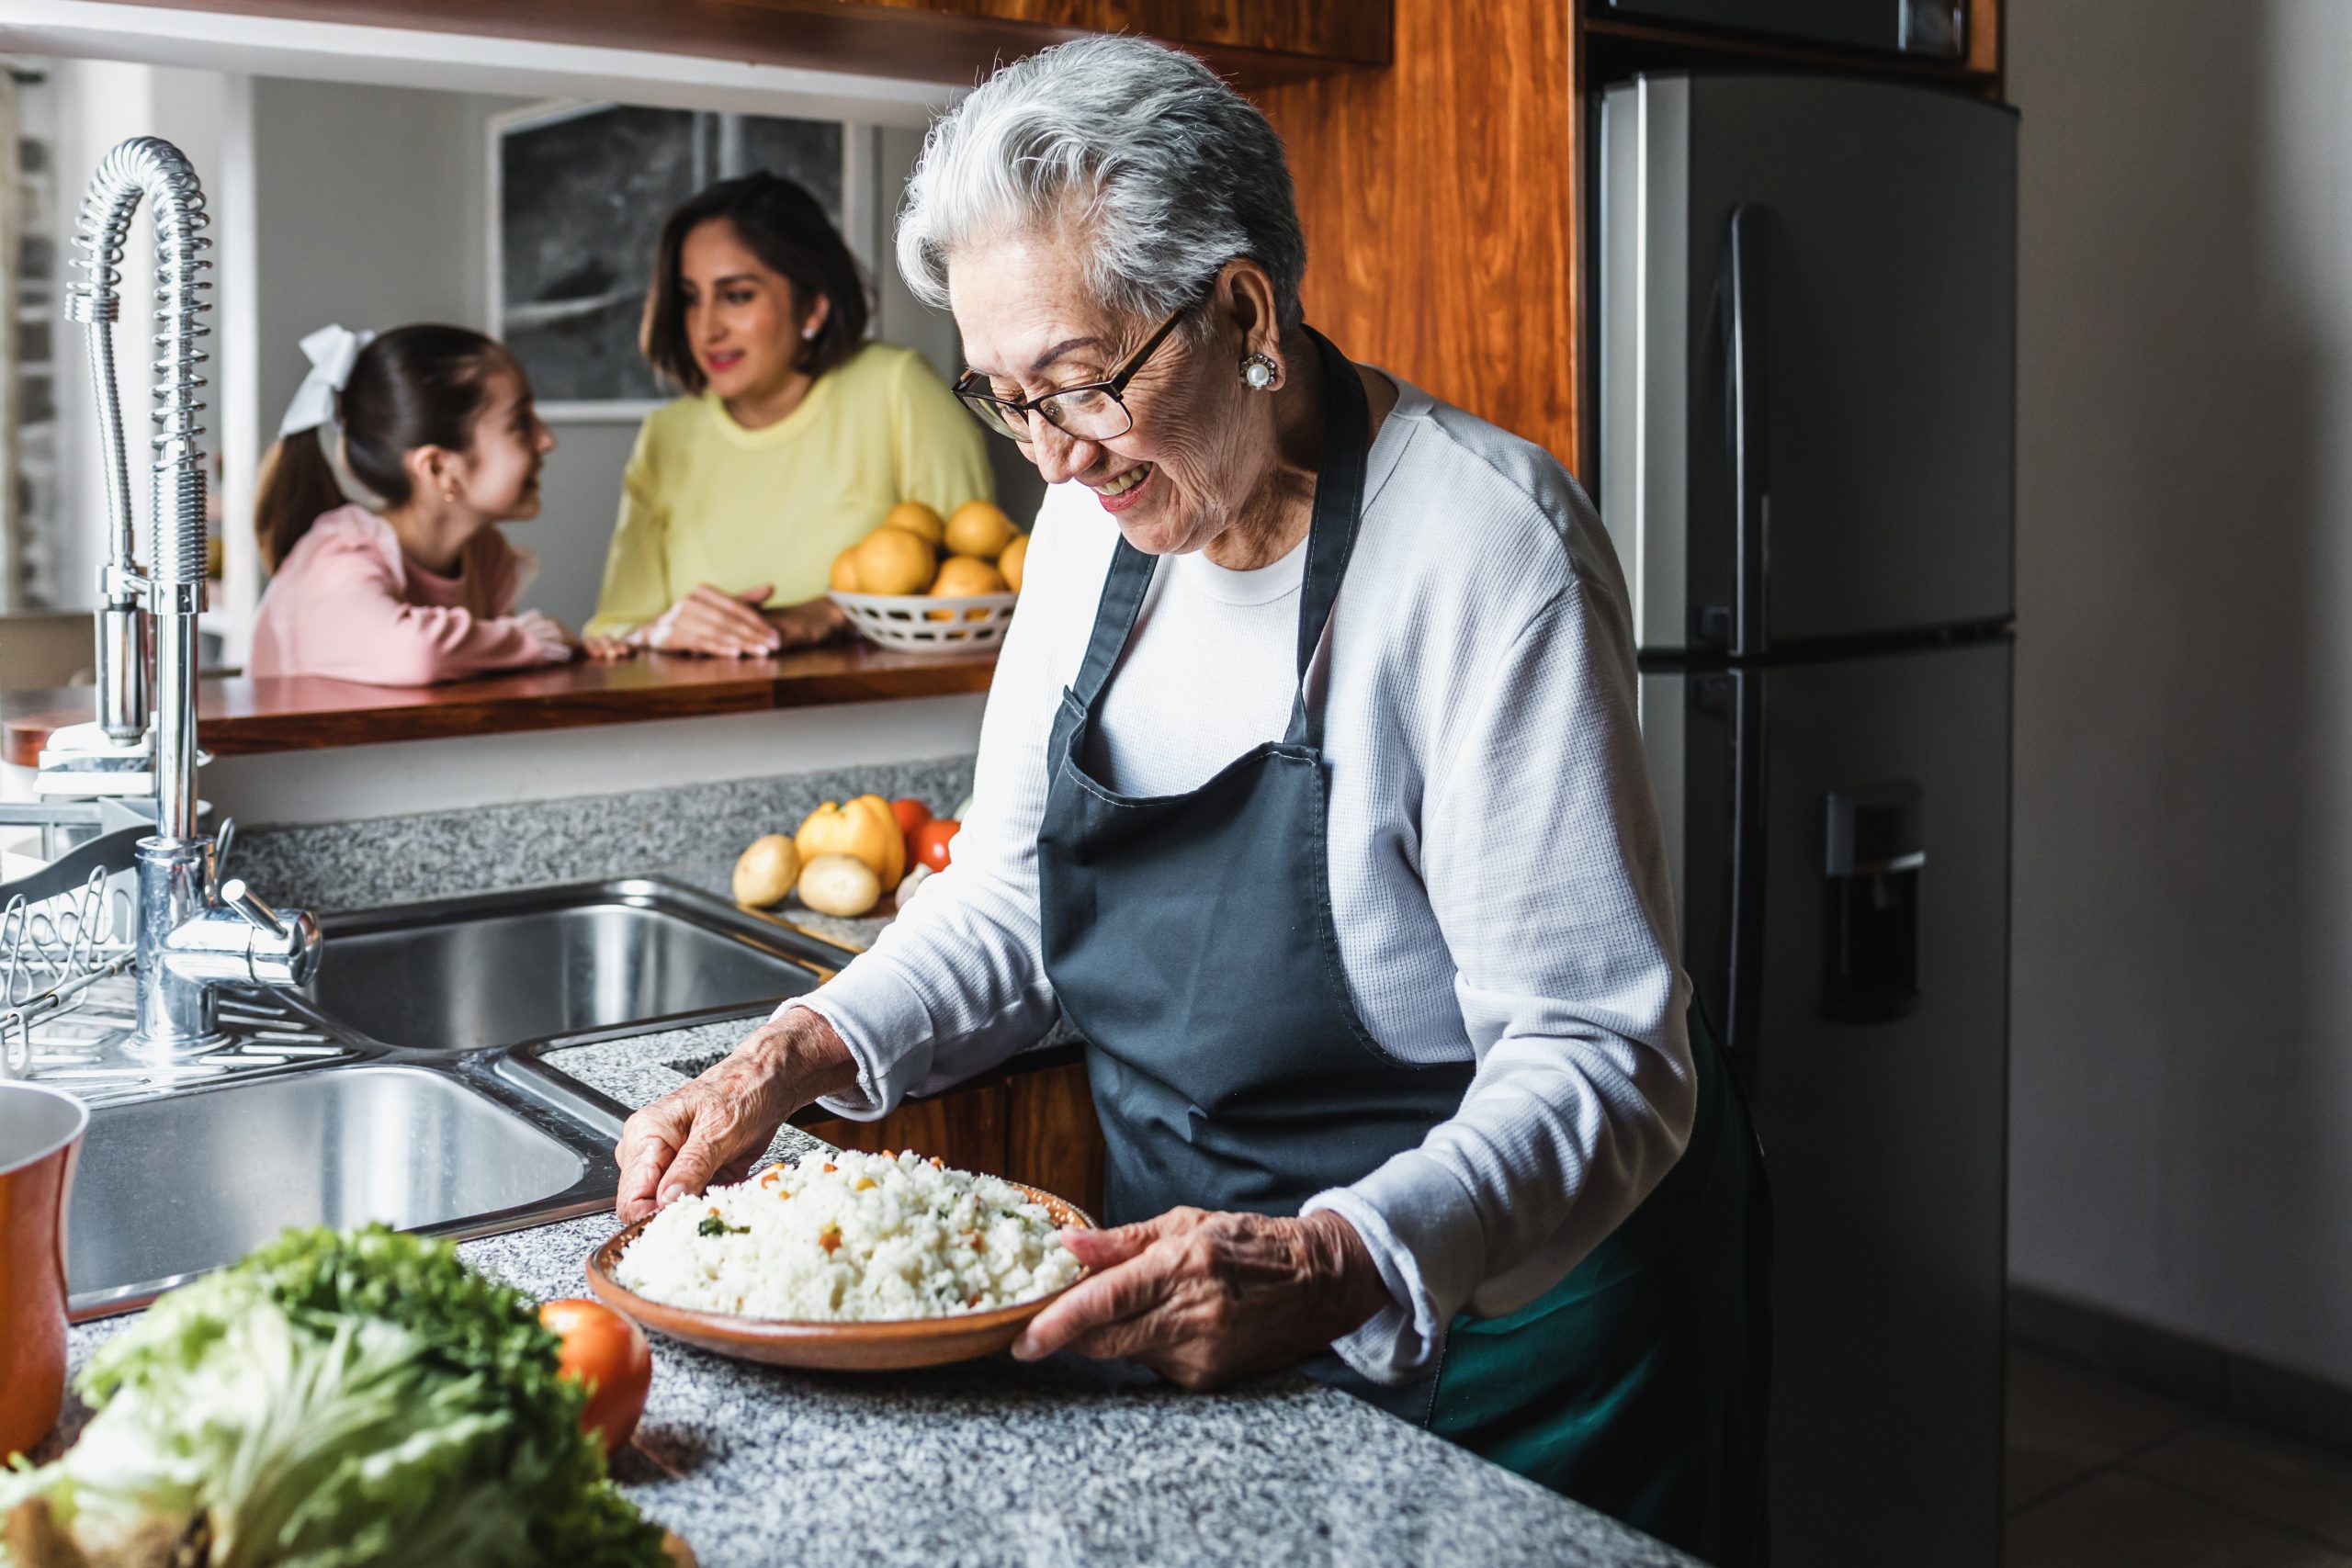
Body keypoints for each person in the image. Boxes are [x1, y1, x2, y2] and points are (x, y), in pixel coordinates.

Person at [611, 37, 1770, 1566]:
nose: (1052, 455)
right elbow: (1016, 890)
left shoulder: (1486, 550)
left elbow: (1603, 1053)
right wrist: (791, 1051)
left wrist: (1345, 1250)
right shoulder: (1098, 529)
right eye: (1008, 399)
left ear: (1242, 310)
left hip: (1517, 1326)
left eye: (1082, 385)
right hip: (1206, 1302)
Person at [582, 172, 995, 658]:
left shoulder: (897, 387)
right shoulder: (665, 435)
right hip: (704, 723)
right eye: (692, 298)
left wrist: (831, 613)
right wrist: (666, 630)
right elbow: (613, 629)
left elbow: (976, 586)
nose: (706, 327)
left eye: (736, 295)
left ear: (813, 308)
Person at [249, 323, 578, 685]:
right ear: (438, 468)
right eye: (520, 422)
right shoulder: (342, 561)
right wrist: (527, 640)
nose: (547, 440)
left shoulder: (485, 556)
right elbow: (414, 654)